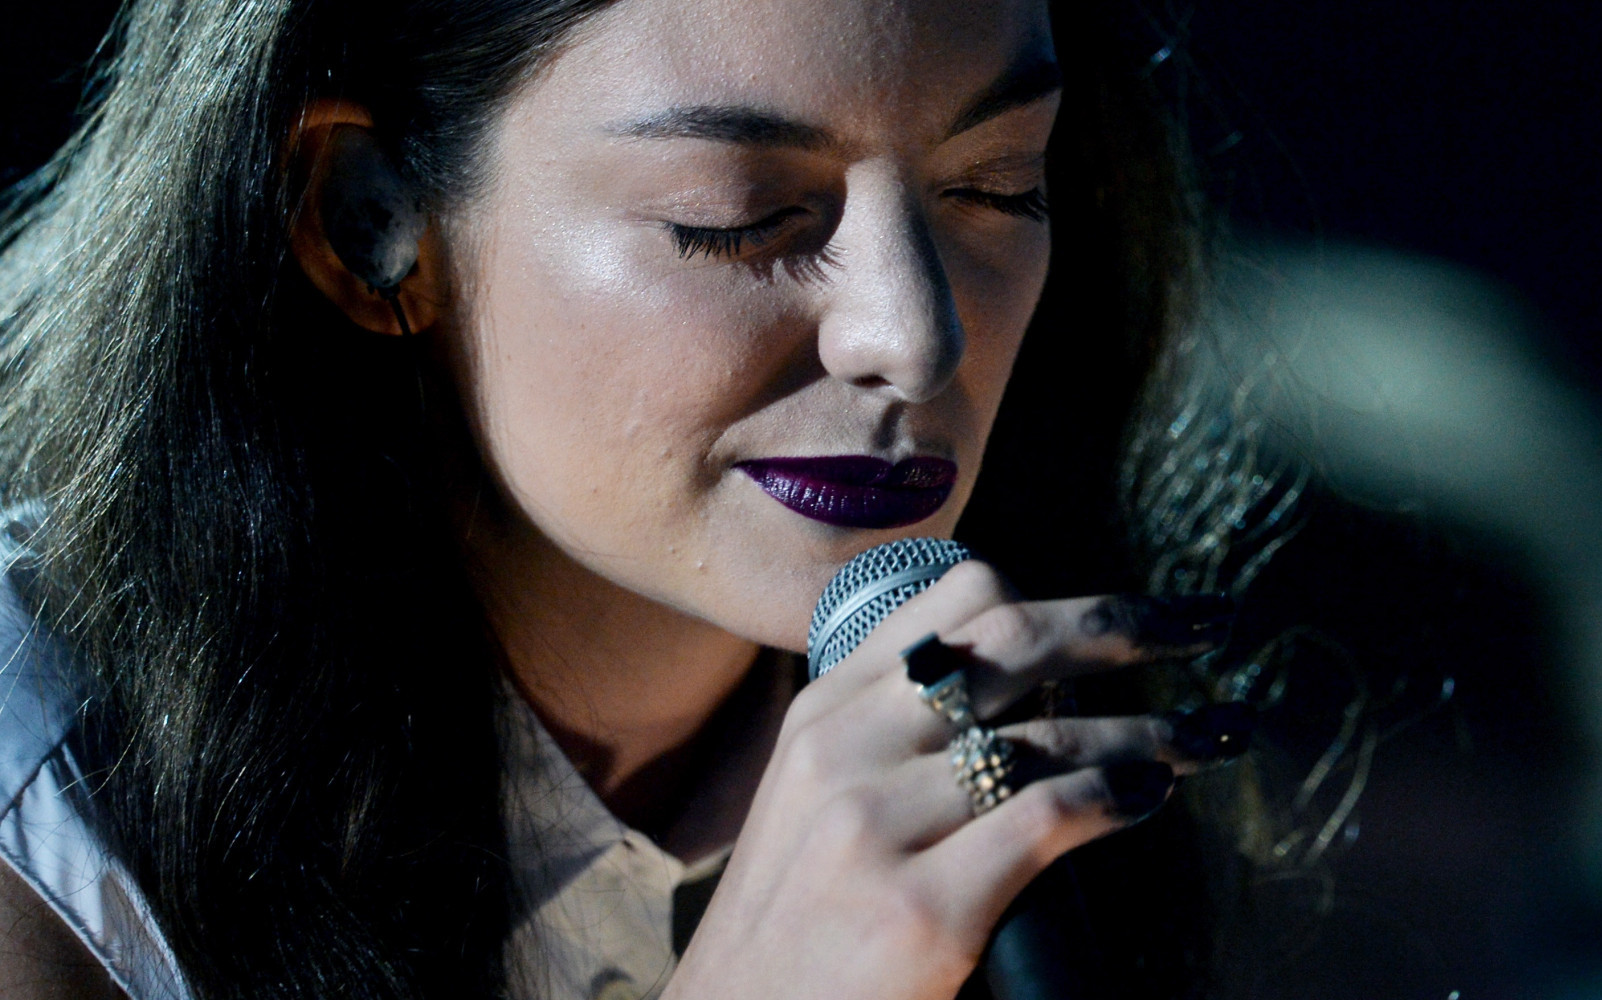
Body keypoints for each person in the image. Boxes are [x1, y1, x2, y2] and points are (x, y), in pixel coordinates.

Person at [0, 0, 1271, 998]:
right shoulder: (48, 838)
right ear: (366, 221)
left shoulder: (1040, 748)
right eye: (742, 215)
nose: (913, 334)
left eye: (995, 186)